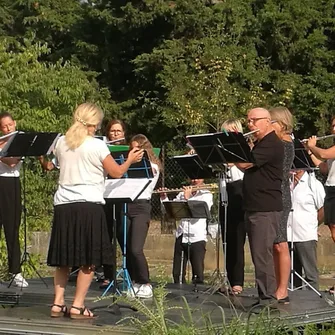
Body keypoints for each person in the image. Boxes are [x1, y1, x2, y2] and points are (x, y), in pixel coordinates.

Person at [47, 103, 143, 319]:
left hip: (63, 204)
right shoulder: (97, 146)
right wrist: (130, 159)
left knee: (64, 257)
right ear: (95, 124)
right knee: (88, 258)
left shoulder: (61, 143)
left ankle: (57, 303)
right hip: (88, 205)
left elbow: (54, 165)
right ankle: (78, 305)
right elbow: (116, 172)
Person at [236, 107, 284, 305]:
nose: (250, 125)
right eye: (248, 121)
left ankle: (268, 299)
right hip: (255, 206)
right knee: (258, 254)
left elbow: (247, 164)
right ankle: (264, 295)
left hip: (265, 208)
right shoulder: (261, 143)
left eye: (254, 120)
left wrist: (230, 152)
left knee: (262, 255)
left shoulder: (272, 143)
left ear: (267, 121)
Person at [122, 134, 161, 298]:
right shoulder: (128, 165)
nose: (133, 152)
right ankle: (134, 282)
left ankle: (146, 283)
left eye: (136, 149)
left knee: (136, 248)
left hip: (141, 207)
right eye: (131, 149)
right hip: (126, 205)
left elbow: (147, 181)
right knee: (127, 249)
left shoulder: (152, 166)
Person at [160, 179, 213, 284]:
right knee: (177, 273)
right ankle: (178, 295)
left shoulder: (207, 195)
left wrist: (187, 198)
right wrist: (163, 197)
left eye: (198, 178)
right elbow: (168, 210)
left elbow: (198, 213)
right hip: (181, 235)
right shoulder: (181, 193)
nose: (195, 180)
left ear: (203, 179)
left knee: (198, 273)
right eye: (193, 178)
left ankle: (197, 296)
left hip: (197, 238)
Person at [269, 107, 295, 304]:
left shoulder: (285, 143)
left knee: (280, 242)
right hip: (271, 193)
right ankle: (276, 286)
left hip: (281, 194)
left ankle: (283, 290)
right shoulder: (274, 142)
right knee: (274, 243)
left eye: (272, 122)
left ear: (282, 124)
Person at [0, 112, 28, 288]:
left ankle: (15, 272)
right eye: (4, 127)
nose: (8, 128)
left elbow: (12, 162)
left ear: (15, 123)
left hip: (11, 183)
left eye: (10, 125)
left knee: (12, 227)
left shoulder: (21, 139)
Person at [219, 119, 245, 295]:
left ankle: (238, 282)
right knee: (226, 241)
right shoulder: (220, 149)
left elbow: (246, 169)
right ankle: (228, 278)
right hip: (224, 196)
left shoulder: (244, 148)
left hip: (239, 194)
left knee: (237, 241)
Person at [100, 119, 127, 289]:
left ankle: (128, 273)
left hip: (124, 196)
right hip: (105, 196)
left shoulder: (128, 151)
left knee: (123, 235)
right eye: (113, 131)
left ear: (123, 134)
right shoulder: (102, 149)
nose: (115, 134)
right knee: (107, 237)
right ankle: (109, 275)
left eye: (119, 131)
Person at [287, 170, 325, 290]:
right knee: (290, 273)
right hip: (287, 235)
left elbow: (323, 208)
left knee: (310, 272)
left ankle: (312, 299)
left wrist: (313, 224)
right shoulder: (285, 183)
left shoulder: (314, 184)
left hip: (305, 234)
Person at [307, 116, 335, 242]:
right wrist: (310, 152)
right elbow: (324, 168)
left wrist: (312, 146)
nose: (334, 129)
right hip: (330, 188)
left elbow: (324, 154)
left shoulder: (331, 150)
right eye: (333, 126)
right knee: (332, 227)